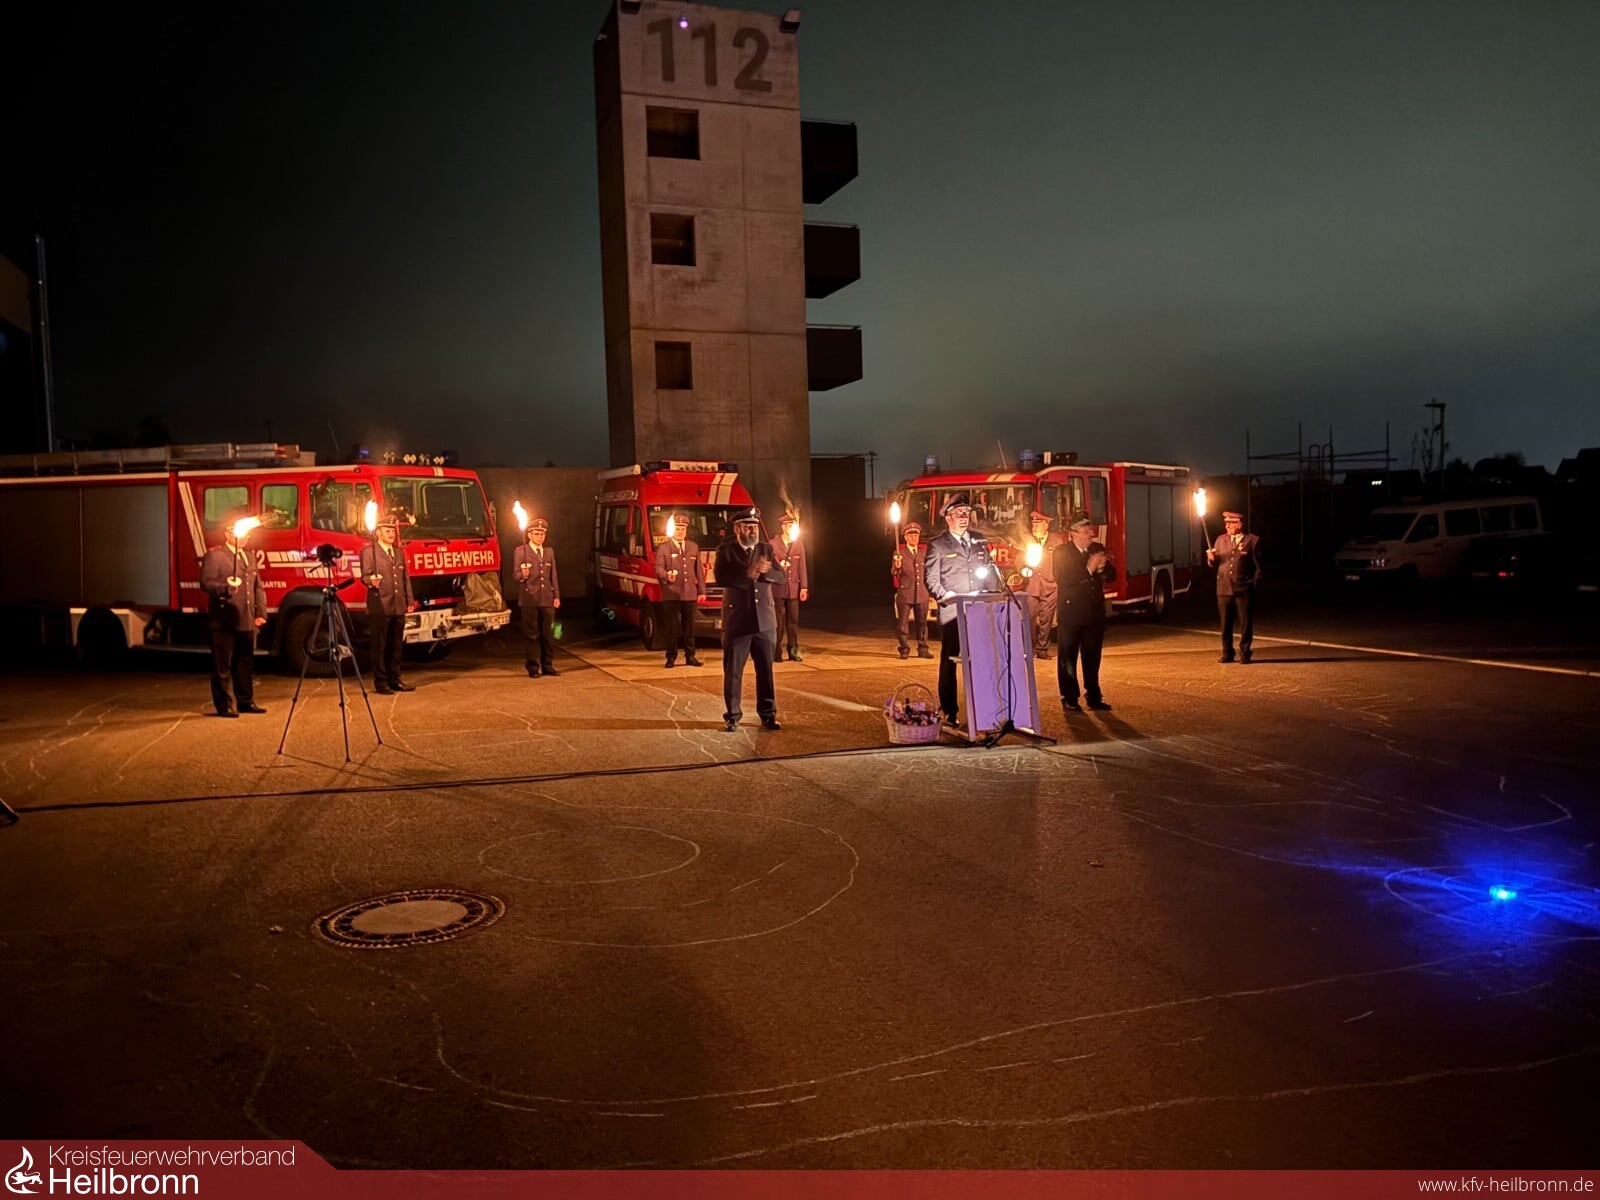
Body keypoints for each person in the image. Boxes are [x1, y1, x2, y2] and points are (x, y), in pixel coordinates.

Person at [714, 507, 786, 732]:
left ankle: (768, 714)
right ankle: (733, 716)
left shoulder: (765, 549)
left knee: (765, 671)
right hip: (738, 621)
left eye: (754, 527)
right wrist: (748, 573)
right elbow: (720, 577)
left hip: (765, 622)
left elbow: (781, 576)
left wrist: (766, 572)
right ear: (737, 529)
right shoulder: (726, 551)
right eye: (747, 527)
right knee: (734, 672)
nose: (752, 531)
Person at [924, 492, 992, 726]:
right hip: (953, 612)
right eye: (959, 514)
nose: (964, 517)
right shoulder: (938, 545)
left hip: (978, 611)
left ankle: (984, 709)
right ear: (948, 518)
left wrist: (993, 595)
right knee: (950, 661)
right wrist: (944, 595)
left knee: (981, 660)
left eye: (966, 513)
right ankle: (949, 711)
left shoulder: (979, 540)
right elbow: (931, 579)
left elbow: (989, 572)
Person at [199, 509, 268, 717]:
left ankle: (245, 701)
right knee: (222, 665)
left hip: (246, 618)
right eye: (241, 533)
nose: (245, 538)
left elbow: (257, 586)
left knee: (244, 662)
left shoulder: (249, 557)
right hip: (224, 619)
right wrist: (225, 588)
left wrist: (260, 612)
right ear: (228, 533)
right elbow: (205, 583)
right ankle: (223, 704)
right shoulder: (216, 556)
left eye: (248, 535)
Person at [1053, 513, 1115, 712]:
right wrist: (1089, 568)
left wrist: (1103, 567)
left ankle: (1093, 695)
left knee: (1092, 657)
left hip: (1093, 614)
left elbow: (1112, 575)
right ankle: (1069, 696)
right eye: (1086, 531)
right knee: (1068, 657)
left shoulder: (1095, 549)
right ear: (1074, 533)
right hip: (1072, 613)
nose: (1091, 534)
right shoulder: (1063, 552)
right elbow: (1063, 578)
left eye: (1090, 530)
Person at [359, 511, 416, 694]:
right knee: (380, 646)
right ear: (378, 532)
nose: (391, 534)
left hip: (398, 604)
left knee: (396, 646)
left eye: (393, 530)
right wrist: (371, 580)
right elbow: (364, 576)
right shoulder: (369, 552)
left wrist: (409, 600)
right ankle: (381, 681)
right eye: (387, 530)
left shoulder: (398, 553)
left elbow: (405, 578)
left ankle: (395, 679)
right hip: (380, 605)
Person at [1209, 510, 1262, 663]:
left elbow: (1258, 567)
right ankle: (1227, 653)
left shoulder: (1253, 540)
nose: (1227, 526)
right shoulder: (1220, 540)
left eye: (1230, 523)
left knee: (1245, 623)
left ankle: (1245, 652)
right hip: (1223, 588)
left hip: (1243, 588)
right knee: (1225, 623)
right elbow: (1214, 564)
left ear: (1239, 524)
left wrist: (1253, 584)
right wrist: (1211, 559)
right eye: (1226, 523)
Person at [654, 510, 704, 669]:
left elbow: (698, 570)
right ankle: (671, 656)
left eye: (683, 529)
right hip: (672, 593)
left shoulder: (693, 547)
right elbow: (658, 568)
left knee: (690, 628)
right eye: (678, 529)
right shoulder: (664, 548)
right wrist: (666, 575)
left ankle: (690, 656)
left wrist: (702, 591)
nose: (680, 532)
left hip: (690, 593)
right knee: (672, 628)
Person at [513, 516, 562, 677]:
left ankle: (548, 665)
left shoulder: (549, 552)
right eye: (536, 534)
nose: (540, 537)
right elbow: (515, 575)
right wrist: (523, 574)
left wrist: (556, 596)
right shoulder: (521, 551)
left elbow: (553, 575)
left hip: (546, 597)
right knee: (531, 634)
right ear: (529, 535)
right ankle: (533, 667)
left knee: (548, 634)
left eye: (542, 534)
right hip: (529, 598)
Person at [768, 511, 809, 661]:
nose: (792, 528)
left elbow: (802, 566)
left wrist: (804, 587)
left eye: (793, 525)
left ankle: (793, 651)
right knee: (778, 623)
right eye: (789, 525)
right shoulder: (772, 544)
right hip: (778, 588)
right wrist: (779, 566)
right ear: (783, 527)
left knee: (793, 622)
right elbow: (768, 567)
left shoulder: (798, 543)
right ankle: (776, 652)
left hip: (793, 589)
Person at [1022, 510, 1063, 659]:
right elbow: (1019, 559)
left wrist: (1058, 580)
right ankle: (1030, 648)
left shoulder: (1056, 541)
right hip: (1032, 585)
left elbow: (1062, 562)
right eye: (1033, 524)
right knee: (1029, 617)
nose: (1034, 527)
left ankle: (1042, 649)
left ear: (1046, 525)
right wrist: (1023, 569)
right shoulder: (1027, 541)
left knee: (1046, 619)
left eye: (1038, 524)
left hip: (1050, 585)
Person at [892, 521, 932, 659]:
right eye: (911, 536)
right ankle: (904, 649)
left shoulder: (924, 552)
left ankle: (923, 649)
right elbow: (894, 573)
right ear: (906, 537)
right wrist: (897, 566)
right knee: (903, 624)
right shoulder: (899, 553)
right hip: (905, 593)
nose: (914, 538)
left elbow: (929, 573)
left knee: (922, 624)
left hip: (922, 592)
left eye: (916, 535)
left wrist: (930, 591)